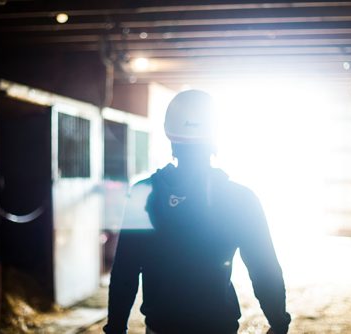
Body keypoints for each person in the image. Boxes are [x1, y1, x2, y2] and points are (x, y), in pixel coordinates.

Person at [103, 90, 291, 334]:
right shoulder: (240, 198)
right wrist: (278, 322)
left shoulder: (144, 193)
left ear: (170, 136)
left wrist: (116, 328)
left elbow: (124, 271)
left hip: (162, 327)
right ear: (215, 136)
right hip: (218, 326)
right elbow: (264, 268)